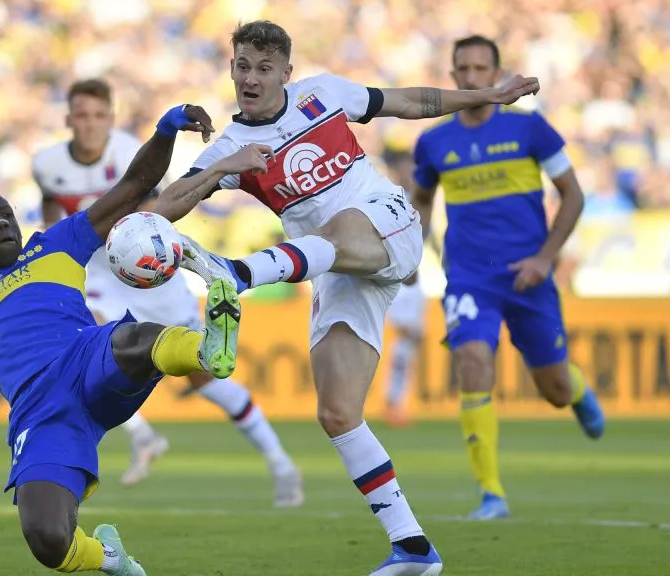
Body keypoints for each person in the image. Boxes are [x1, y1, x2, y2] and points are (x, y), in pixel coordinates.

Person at [152, 19, 541, 576]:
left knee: (334, 231)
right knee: (337, 413)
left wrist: (486, 95)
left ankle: (237, 274)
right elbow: (166, 207)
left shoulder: (324, 95)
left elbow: (408, 101)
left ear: (286, 72)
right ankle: (413, 548)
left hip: (386, 223)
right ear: (231, 69)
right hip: (333, 269)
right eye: (242, 67)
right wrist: (219, 169)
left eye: (264, 68)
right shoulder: (234, 146)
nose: (251, 79)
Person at [0, 104, 272, 576]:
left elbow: (132, 187)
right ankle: (111, 560)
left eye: (6, 214)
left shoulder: (57, 244)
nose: (2, 222)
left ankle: (206, 351)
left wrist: (166, 128)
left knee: (131, 338)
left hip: (86, 359)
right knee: (47, 539)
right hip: (41, 415)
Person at [32, 78, 302, 505]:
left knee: (209, 377)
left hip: (150, 274)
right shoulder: (46, 164)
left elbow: (154, 211)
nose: (89, 125)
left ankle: (281, 463)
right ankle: (143, 436)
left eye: (98, 116)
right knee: (80, 352)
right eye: (81, 116)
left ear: (111, 119)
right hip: (102, 279)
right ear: (69, 119)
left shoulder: (127, 154)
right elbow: (53, 214)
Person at [409, 35, 605, 521]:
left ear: (496, 75)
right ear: (452, 77)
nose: (472, 77)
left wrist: (545, 258)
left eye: (481, 69)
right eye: (463, 69)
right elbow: (421, 201)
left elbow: (574, 196)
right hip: (469, 278)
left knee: (553, 390)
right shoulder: (433, 142)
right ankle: (491, 494)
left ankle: (576, 390)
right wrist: (409, 255)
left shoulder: (530, 129)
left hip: (529, 275)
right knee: (473, 363)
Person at [380, 149, 426, 428]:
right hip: (397, 277)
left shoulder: (426, 198)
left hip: (418, 279)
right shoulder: (389, 198)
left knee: (410, 341)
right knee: (402, 340)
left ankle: (398, 400)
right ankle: (393, 400)